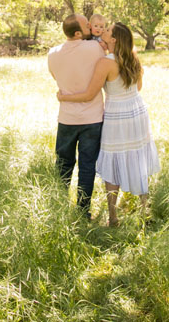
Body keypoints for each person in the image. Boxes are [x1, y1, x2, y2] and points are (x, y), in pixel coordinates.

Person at [58, 22, 159, 226]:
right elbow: (138, 87)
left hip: (117, 115)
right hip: (137, 110)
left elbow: (89, 94)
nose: (102, 31)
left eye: (107, 30)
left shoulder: (106, 62)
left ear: (113, 39)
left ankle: (113, 217)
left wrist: (63, 97)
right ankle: (144, 211)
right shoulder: (133, 57)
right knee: (137, 157)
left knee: (113, 161)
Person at [47, 13, 107, 219]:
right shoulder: (94, 48)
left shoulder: (52, 53)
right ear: (78, 32)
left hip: (66, 118)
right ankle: (83, 211)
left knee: (63, 164)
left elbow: (56, 77)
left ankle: (58, 206)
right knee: (87, 166)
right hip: (92, 118)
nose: (92, 26)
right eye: (87, 24)